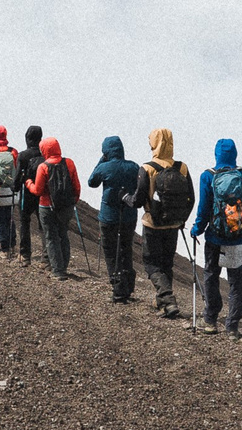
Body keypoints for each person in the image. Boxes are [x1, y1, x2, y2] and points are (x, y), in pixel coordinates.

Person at [187, 137, 242, 336]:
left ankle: (211, 319)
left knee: (211, 275)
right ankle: (232, 326)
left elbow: (203, 210)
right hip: (240, 239)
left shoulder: (208, 176)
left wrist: (197, 229)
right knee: (237, 281)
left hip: (214, 238)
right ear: (235, 154)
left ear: (216, 155)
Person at [136, 129, 194, 318]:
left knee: (151, 264)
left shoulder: (147, 168)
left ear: (154, 142)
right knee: (167, 263)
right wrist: (182, 219)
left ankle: (168, 300)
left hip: (152, 224)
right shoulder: (182, 168)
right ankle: (163, 302)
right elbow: (191, 199)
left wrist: (125, 198)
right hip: (174, 224)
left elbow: (138, 200)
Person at [86, 136, 145, 302]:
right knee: (126, 250)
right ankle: (128, 286)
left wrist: (101, 160)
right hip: (129, 216)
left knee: (111, 252)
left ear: (106, 151)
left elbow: (92, 182)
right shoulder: (133, 166)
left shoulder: (104, 167)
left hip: (108, 217)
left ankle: (118, 288)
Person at [29, 136, 80, 281]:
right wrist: (72, 202)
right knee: (63, 234)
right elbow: (77, 187)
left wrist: (28, 183)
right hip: (66, 206)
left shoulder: (43, 167)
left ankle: (58, 270)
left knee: (51, 237)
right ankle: (63, 266)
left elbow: (38, 190)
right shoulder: (69, 163)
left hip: (46, 206)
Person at [12, 125, 45, 267]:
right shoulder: (44, 155)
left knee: (24, 223)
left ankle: (25, 255)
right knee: (43, 225)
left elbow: (18, 176)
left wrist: (15, 187)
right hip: (42, 194)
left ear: (27, 138)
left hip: (27, 195)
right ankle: (46, 258)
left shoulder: (23, 155)